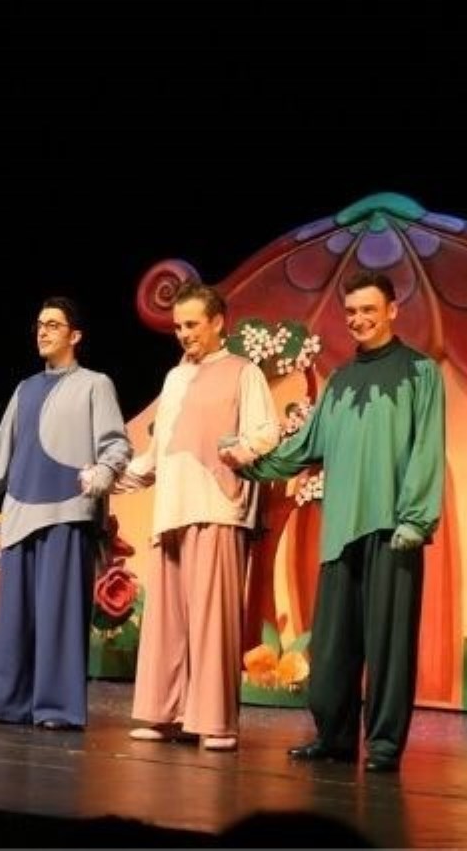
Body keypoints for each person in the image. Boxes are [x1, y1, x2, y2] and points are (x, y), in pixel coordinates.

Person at [222, 270, 444, 772]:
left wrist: (415, 519)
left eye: (369, 310)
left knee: (389, 645)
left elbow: (427, 446)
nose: (359, 319)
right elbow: (306, 446)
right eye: (352, 312)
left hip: (393, 528)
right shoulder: (341, 380)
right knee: (333, 645)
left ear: (391, 311)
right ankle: (334, 737)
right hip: (341, 527)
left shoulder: (419, 372)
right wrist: (251, 463)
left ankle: (383, 745)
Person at [113, 280, 280, 751]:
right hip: (173, 508)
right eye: (178, 326)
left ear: (217, 322)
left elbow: (265, 433)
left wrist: (238, 451)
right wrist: (112, 478)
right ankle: (164, 714)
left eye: (192, 324)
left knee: (212, 620)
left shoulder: (243, 372)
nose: (184, 334)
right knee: (166, 621)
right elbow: (158, 453)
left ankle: (214, 722)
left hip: (218, 506)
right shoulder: (174, 378)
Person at [0, 297, 132, 730]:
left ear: (75, 335)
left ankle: (56, 708)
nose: (43, 331)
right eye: (40, 324)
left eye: (54, 325)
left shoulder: (95, 384)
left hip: (67, 512)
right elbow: (0, 457)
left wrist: (105, 471)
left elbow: (116, 443)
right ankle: (7, 702)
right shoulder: (24, 389)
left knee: (59, 617)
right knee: (14, 619)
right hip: (21, 512)